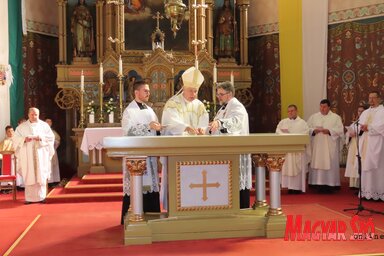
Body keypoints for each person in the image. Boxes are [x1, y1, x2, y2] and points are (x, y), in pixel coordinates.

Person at [160, 66, 209, 210]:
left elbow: (204, 123)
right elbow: (169, 123)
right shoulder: (173, 103)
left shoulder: (200, 105)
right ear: (183, 87)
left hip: (195, 151)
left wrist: (202, 129)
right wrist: (185, 127)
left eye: (196, 91)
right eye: (191, 91)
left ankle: (195, 205)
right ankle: (175, 207)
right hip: (177, 151)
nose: (193, 94)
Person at [120, 80, 162, 223]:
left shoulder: (150, 110)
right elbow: (127, 131)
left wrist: (158, 129)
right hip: (136, 157)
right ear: (136, 92)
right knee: (138, 185)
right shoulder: (129, 111)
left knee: (151, 185)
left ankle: (153, 216)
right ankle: (134, 216)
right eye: (145, 90)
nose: (148, 93)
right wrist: (148, 126)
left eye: (149, 91)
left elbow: (155, 129)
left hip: (150, 158)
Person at [208, 81, 252, 208]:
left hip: (237, 153)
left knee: (238, 183)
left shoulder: (237, 106)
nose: (219, 97)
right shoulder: (224, 108)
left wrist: (220, 123)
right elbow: (215, 126)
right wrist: (206, 129)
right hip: (226, 153)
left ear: (230, 94)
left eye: (221, 94)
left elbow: (236, 123)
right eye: (218, 94)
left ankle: (241, 210)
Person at [12, 108, 55, 204]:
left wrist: (40, 138)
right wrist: (24, 139)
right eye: (32, 114)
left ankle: (42, 197)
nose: (34, 116)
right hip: (28, 155)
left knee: (41, 174)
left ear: (38, 115)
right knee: (29, 173)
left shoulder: (44, 126)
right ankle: (29, 198)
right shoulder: (21, 127)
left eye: (36, 114)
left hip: (41, 153)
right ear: (28, 115)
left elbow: (51, 138)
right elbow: (15, 139)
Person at [307, 99, 344, 193]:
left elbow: (340, 130)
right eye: (321, 106)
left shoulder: (336, 117)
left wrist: (329, 131)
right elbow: (307, 128)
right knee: (317, 162)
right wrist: (313, 131)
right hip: (317, 144)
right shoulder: (314, 117)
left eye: (324, 107)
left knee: (329, 163)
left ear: (329, 107)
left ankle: (330, 184)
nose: (322, 109)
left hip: (329, 145)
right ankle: (316, 183)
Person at [276, 105, 310, 194]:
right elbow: (277, 131)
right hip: (286, 150)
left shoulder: (302, 123)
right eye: (288, 111)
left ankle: (297, 187)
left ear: (296, 111)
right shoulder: (283, 122)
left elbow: (306, 133)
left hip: (297, 151)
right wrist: (285, 135)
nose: (290, 113)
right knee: (287, 167)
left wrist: (293, 137)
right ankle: (288, 187)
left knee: (297, 168)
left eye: (292, 111)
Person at [357, 91, 384, 201]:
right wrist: (361, 127)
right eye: (369, 98)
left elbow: (382, 126)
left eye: (373, 98)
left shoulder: (382, 111)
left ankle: (378, 192)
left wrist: (369, 127)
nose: (371, 100)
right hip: (366, 142)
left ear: (379, 99)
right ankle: (366, 191)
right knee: (365, 166)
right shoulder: (365, 112)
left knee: (377, 167)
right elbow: (359, 124)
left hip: (377, 142)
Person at [344, 105, 367, 189]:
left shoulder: (366, 123)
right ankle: (355, 185)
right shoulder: (355, 122)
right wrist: (349, 135)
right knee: (353, 165)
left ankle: (361, 186)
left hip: (361, 147)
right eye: (358, 111)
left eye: (362, 111)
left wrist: (357, 134)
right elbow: (347, 134)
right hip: (354, 146)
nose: (360, 113)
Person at [45, 118, 61, 185]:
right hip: (45, 151)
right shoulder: (41, 131)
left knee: (53, 165)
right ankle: (47, 181)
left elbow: (58, 140)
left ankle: (54, 180)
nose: (49, 122)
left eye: (50, 121)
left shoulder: (53, 132)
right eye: (47, 121)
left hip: (52, 150)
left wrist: (54, 142)